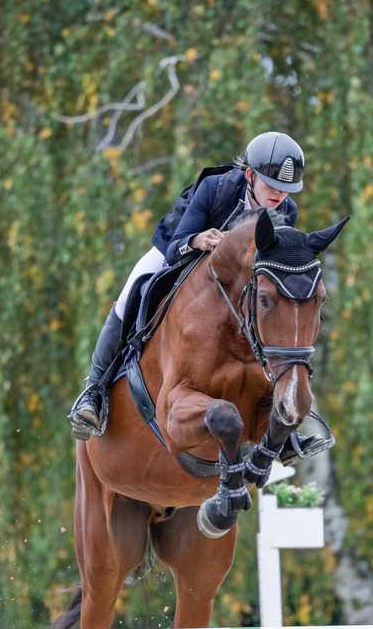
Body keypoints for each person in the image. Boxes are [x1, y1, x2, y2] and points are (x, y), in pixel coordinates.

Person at [69, 131, 306, 442]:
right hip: (180, 250)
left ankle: (282, 422)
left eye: (286, 189)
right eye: (272, 185)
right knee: (129, 294)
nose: (279, 195)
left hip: (235, 285)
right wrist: (198, 240)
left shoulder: (286, 213)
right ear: (250, 175)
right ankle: (94, 393)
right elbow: (174, 246)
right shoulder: (216, 188)